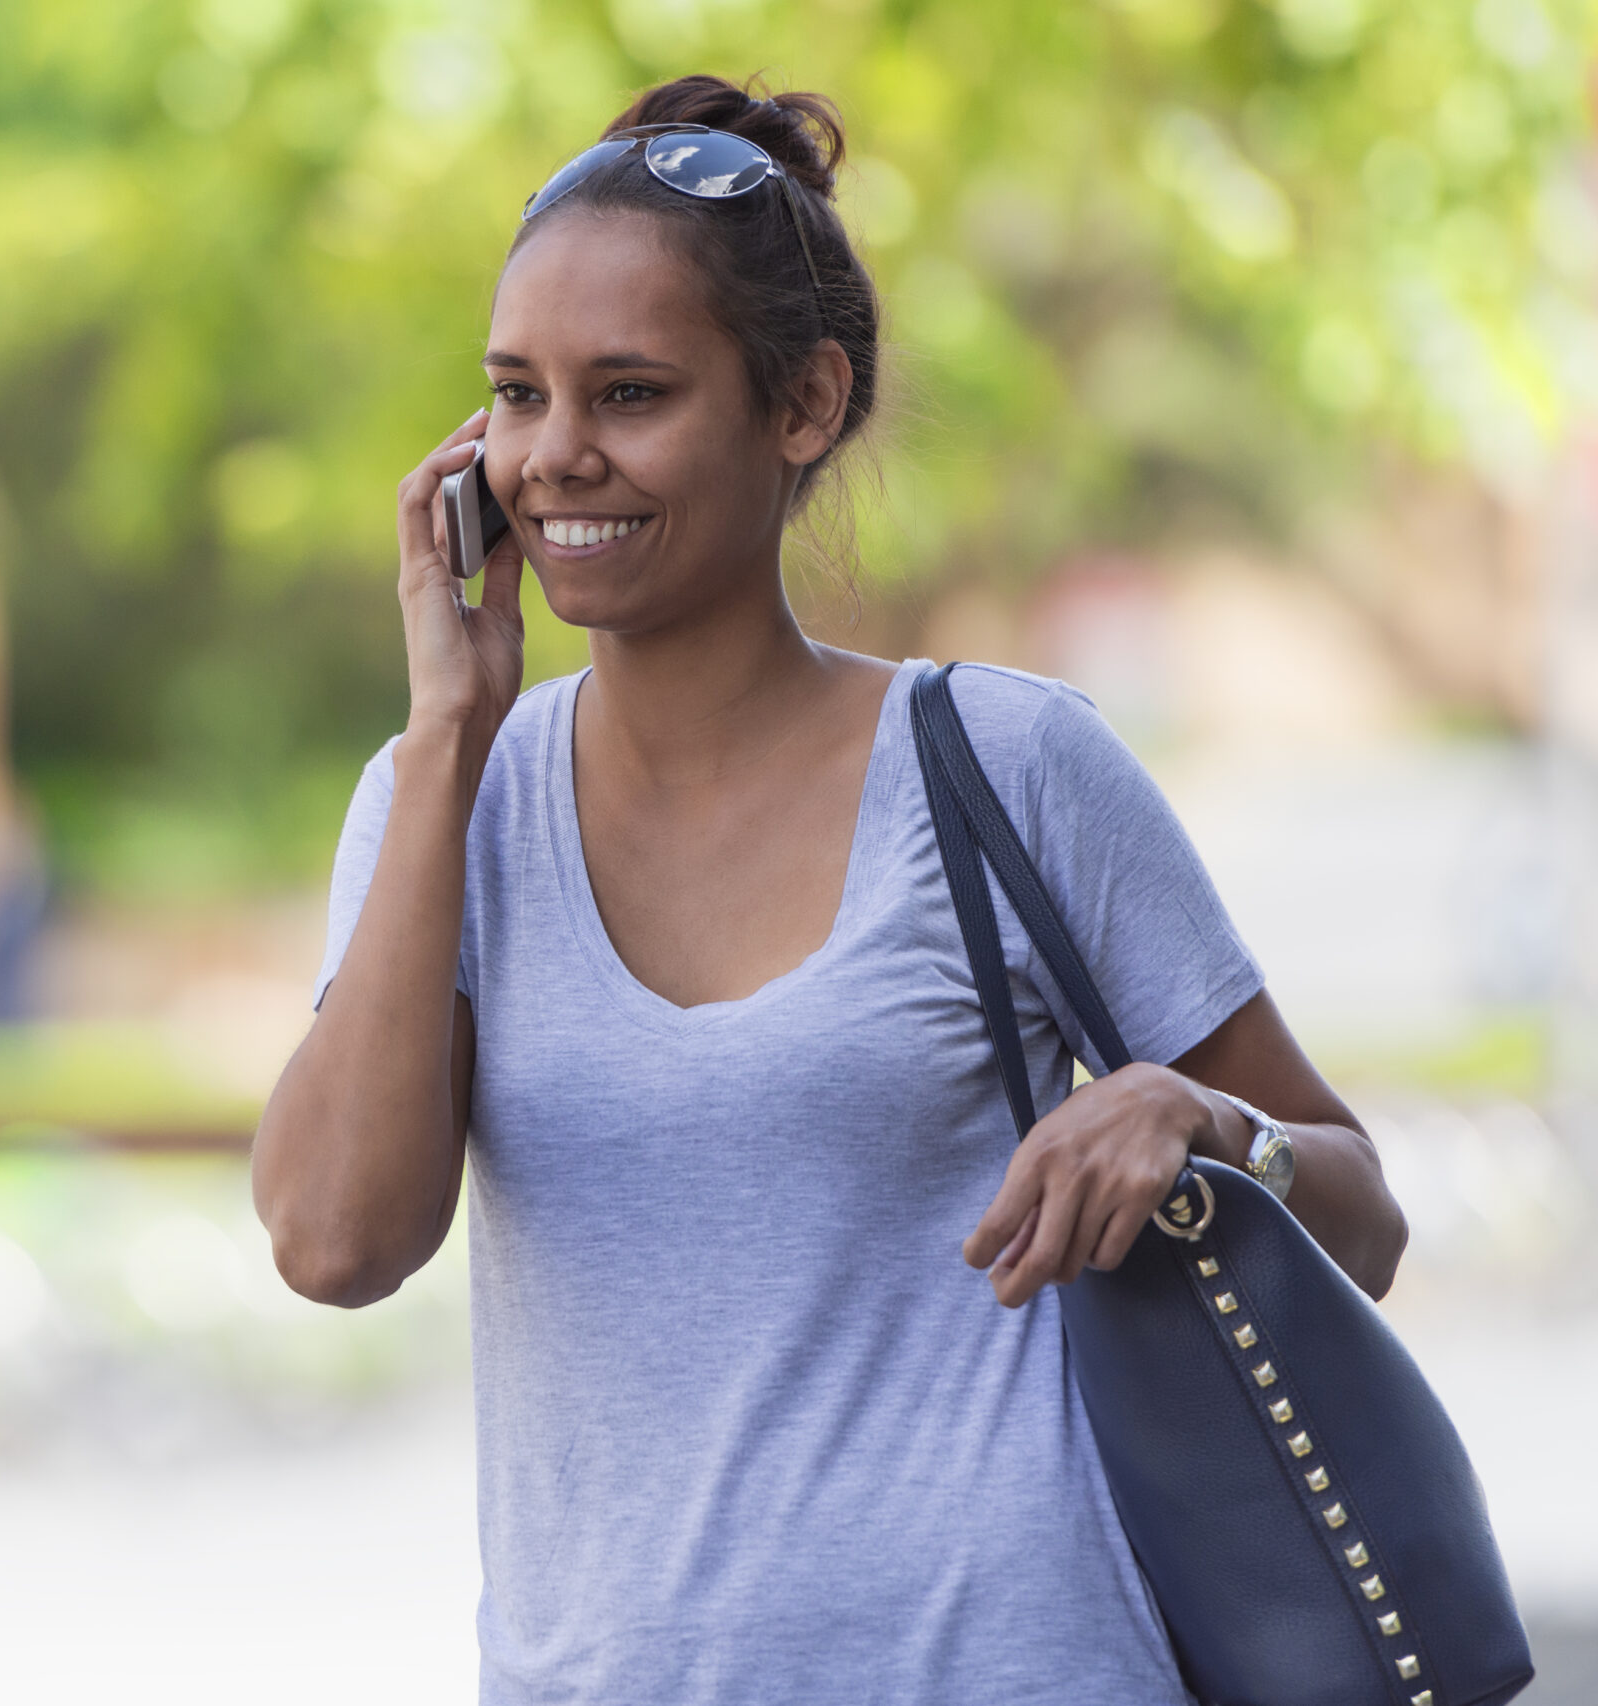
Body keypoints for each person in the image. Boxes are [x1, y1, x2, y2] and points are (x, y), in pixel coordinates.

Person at [249, 72, 1410, 1704]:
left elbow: (1362, 1216)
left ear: (802, 405)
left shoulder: (1010, 762)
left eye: (630, 393)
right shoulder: (443, 803)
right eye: (517, 395)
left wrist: (1206, 1127)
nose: (555, 457)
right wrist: (450, 729)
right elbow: (334, 1239)